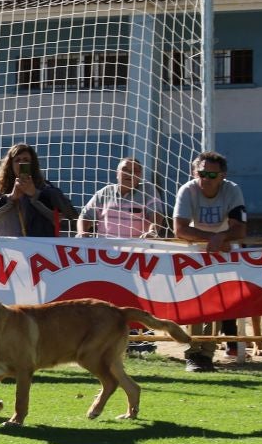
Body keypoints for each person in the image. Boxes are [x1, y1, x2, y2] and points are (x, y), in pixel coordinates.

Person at [172, 150, 251, 371]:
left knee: (218, 304)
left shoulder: (232, 191)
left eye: (213, 175)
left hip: (225, 253)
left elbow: (241, 229)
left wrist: (222, 238)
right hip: (196, 253)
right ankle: (193, 353)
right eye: (202, 174)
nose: (206, 179)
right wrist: (213, 238)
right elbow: (179, 229)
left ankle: (207, 353)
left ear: (223, 176)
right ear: (194, 172)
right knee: (196, 303)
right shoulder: (187, 191)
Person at [0, 142, 76, 236]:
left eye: (26, 160)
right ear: (10, 165)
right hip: (7, 248)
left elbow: (68, 214)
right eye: (17, 160)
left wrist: (35, 194)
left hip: (37, 249)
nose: (22, 163)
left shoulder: (46, 187)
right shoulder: (0, 189)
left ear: (32, 164)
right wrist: (10, 197)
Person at [78, 157, 165, 238]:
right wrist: (82, 232)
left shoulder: (148, 190)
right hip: (104, 249)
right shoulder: (105, 192)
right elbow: (85, 215)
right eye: (125, 169)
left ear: (140, 175)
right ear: (117, 173)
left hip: (137, 249)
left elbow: (156, 214)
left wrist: (152, 231)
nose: (129, 174)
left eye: (135, 170)